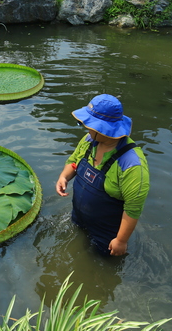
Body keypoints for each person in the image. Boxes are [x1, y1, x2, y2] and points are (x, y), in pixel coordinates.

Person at [55, 94, 150, 256]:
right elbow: (73, 161)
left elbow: (133, 208)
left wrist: (121, 241)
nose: (85, 127)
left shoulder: (132, 165)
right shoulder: (89, 141)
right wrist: (64, 176)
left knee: (103, 261)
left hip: (107, 230)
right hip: (79, 216)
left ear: (103, 128)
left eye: (89, 124)